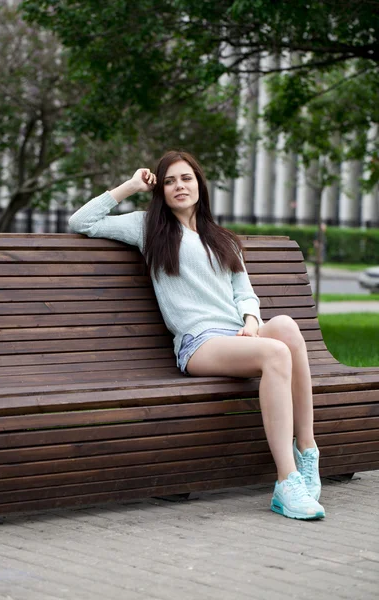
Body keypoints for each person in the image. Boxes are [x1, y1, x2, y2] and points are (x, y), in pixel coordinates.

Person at [68, 150, 325, 520]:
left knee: (285, 326)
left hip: (235, 335)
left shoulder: (222, 239)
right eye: (169, 181)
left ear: (199, 185)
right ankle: (286, 482)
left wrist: (252, 323)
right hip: (198, 343)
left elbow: (245, 294)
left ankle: (308, 451)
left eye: (186, 178)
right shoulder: (148, 228)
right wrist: (131, 186)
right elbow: (82, 222)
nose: (179, 186)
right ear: (161, 191)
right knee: (276, 354)